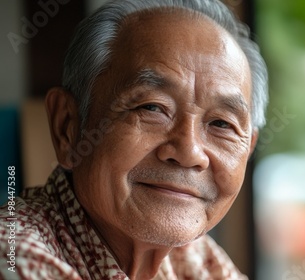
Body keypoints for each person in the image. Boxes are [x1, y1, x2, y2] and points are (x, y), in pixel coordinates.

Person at [0, 0, 268, 279]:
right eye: (151, 108)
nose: (189, 152)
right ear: (67, 127)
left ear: (248, 150)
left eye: (221, 124)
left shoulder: (193, 255)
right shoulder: (14, 257)